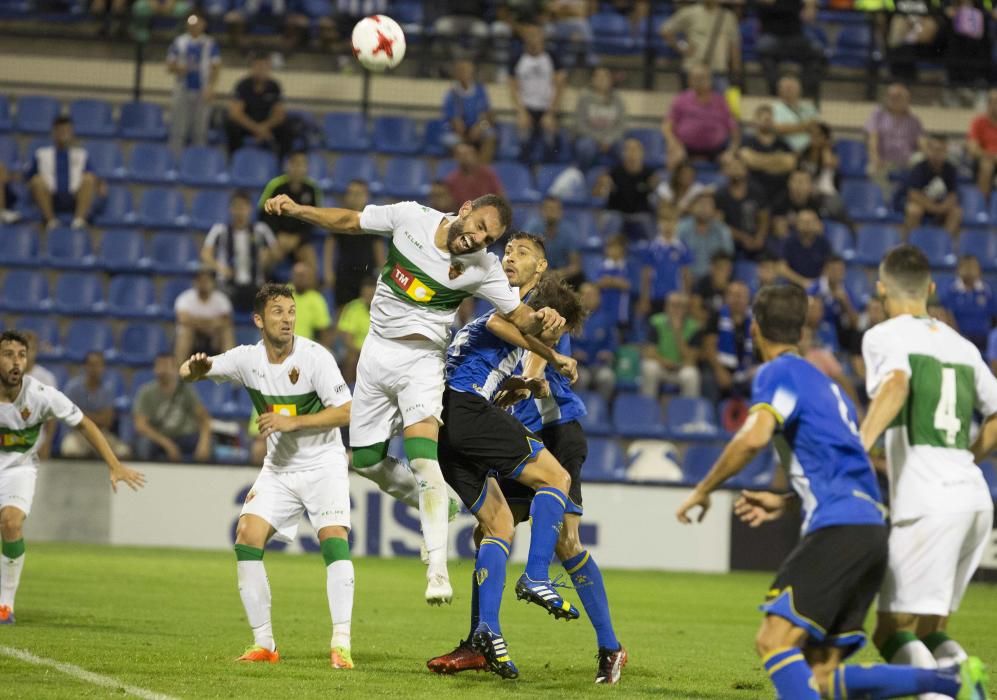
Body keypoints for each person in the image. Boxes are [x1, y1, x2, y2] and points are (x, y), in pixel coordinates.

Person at [675, 284, 987, 700]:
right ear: (803, 332)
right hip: (871, 528)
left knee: (774, 641)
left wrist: (704, 488)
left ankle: (947, 681)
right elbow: (847, 465)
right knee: (821, 675)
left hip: (840, 529)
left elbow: (753, 437)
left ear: (754, 329)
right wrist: (787, 500)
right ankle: (949, 681)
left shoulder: (777, 372)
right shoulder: (829, 388)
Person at [263, 191, 569, 605]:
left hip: (423, 361)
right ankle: (440, 508)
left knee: (424, 457)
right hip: (375, 356)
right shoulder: (411, 218)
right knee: (366, 463)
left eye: (489, 237)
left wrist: (546, 323)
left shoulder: (484, 268)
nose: (479, 239)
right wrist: (299, 210)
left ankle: (438, 571)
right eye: (479, 226)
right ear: (464, 210)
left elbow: (520, 319)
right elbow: (350, 221)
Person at [428, 234, 626, 684]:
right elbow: (515, 365)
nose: (507, 257)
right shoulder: (510, 310)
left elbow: (532, 374)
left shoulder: (542, 313)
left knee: (566, 542)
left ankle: (610, 647)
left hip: (557, 433)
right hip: (502, 427)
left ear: (541, 270)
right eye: (506, 251)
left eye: (520, 253)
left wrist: (543, 356)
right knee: (491, 529)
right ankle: (482, 637)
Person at [180, 283, 355, 667]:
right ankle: (264, 645)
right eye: (277, 312)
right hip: (279, 470)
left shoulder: (316, 358)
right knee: (247, 535)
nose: (287, 319)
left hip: (323, 464)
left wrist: (293, 423)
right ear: (259, 319)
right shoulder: (247, 359)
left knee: (332, 539)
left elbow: (347, 412)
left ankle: (340, 643)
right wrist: (193, 370)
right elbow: (193, 370)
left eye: (291, 311)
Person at [859, 245, 997, 691]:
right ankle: (966, 680)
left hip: (928, 502)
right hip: (974, 499)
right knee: (928, 628)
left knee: (889, 629)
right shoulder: (962, 345)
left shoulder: (884, 336)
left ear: (881, 288)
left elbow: (896, 382)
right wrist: (970, 457)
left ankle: (951, 687)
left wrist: (859, 445)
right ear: (931, 288)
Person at [435, 271, 583, 678]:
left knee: (498, 526)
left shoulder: (498, 336)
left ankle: (487, 634)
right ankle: (536, 576)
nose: (551, 341)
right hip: (467, 409)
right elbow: (504, 322)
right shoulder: (515, 314)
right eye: (554, 333)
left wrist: (526, 385)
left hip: (445, 429)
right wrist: (552, 354)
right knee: (556, 478)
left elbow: (503, 366)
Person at [0, 330, 144, 625]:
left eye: (21, 355)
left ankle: (5, 604)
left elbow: (85, 424)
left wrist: (114, 464)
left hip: (19, 469)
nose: (16, 362)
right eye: (8, 355)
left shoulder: (40, 395)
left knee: (11, 524)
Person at [201, 191, 278, 313]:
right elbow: (205, 255)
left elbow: (276, 252)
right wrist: (221, 268)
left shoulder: (261, 230)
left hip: (255, 286)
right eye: (236, 207)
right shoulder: (220, 230)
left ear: (250, 209)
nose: (239, 211)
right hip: (226, 286)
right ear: (230, 209)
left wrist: (267, 257)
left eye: (243, 207)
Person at [133, 353, 213, 463]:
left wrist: (204, 443)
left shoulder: (186, 390)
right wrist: (167, 444)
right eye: (159, 366)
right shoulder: (146, 392)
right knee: (144, 444)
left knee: (209, 443)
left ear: (175, 368)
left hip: (185, 436)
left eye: (166, 366)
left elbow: (204, 419)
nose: (163, 370)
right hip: (158, 438)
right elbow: (141, 426)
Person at [508, 21, 566, 164]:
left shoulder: (553, 57)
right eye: (529, 35)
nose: (532, 38)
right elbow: (513, 87)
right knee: (522, 136)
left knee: (550, 136)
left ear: (542, 36)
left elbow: (559, 86)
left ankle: (549, 166)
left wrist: (551, 113)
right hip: (527, 107)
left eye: (535, 35)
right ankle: (524, 168)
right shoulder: (517, 58)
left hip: (547, 107)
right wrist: (521, 111)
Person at [662, 63, 739, 170]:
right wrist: (674, 144)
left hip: (716, 151)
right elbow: (666, 127)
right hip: (686, 149)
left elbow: (734, 131)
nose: (699, 82)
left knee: (734, 167)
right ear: (689, 81)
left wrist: (731, 151)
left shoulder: (721, 102)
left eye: (702, 78)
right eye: (695, 78)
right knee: (673, 159)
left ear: (710, 80)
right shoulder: (680, 100)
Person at [322, 179, 384, 309]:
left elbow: (378, 248)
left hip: (367, 275)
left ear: (366, 196)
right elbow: (330, 245)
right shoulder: (341, 217)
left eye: (359, 193)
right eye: (352, 193)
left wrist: (382, 274)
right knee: (343, 312)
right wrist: (328, 271)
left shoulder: (374, 218)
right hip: (345, 274)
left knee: (367, 311)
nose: (355, 197)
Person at [27, 116, 97, 231]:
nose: (64, 134)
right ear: (54, 132)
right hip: (50, 197)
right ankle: (50, 221)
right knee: (37, 181)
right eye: (61, 131)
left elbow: (91, 175)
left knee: (89, 179)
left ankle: (79, 220)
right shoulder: (41, 154)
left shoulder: (81, 154)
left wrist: (99, 183)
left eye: (67, 131)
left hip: (74, 198)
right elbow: (29, 177)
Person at [258, 150, 322, 270]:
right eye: (295, 163)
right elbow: (264, 214)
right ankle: (258, 286)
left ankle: (311, 289)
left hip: (299, 241)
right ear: (288, 165)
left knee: (310, 259)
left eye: (302, 164)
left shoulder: (312, 189)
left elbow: (316, 219)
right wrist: (276, 237)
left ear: (306, 168)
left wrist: (297, 239)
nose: (298, 168)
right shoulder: (275, 185)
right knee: (263, 257)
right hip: (277, 239)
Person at [166, 12, 219, 154]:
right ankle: (174, 163)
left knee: (200, 131)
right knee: (178, 129)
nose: (195, 25)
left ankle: (198, 162)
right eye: (192, 22)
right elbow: (170, 65)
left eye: (198, 22)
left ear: (204, 24)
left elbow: (215, 66)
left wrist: (211, 87)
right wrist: (179, 68)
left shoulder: (209, 43)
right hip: (183, 88)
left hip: (202, 89)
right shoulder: (179, 41)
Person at [60, 351, 130, 459]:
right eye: (91, 365)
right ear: (85, 367)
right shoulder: (72, 388)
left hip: (101, 434)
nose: (94, 369)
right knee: (70, 449)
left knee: (123, 451)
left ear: (103, 368)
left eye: (98, 365)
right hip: (78, 434)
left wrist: (82, 414)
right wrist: (97, 416)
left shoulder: (107, 390)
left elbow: (107, 421)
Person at [658, 0, 740, 88]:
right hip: (692, 70)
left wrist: (736, 70)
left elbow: (734, 44)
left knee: (722, 101)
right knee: (690, 101)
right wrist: (682, 46)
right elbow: (665, 30)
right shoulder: (690, 13)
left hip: (719, 70)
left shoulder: (728, 17)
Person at [225, 53, 291, 160]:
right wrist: (257, 129)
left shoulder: (274, 86)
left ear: (269, 68)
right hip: (247, 124)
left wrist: (265, 127)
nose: (261, 70)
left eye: (264, 67)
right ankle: (234, 160)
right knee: (231, 125)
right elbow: (236, 114)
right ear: (252, 68)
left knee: (286, 127)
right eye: (257, 67)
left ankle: (282, 164)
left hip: (266, 124)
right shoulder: (243, 85)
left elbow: (279, 115)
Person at [755, 0, 824, 98]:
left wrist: (810, 5)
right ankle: (776, 92)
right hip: (772, 37)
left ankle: (805, 94)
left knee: (817, 52)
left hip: (795, 38)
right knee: (763, 51)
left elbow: (809, 16)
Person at [866, 83, 925, 194]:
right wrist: (875, 157)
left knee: (921, 160)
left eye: (898, 97)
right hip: (884, 161)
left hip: (906, 162)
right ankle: (884, 202)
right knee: (872, 169)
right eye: (890, 96)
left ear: (907, 100)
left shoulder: (914, 120)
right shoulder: (878, 115)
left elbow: (922, 143)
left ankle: (914, 196)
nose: (893, 99)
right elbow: (872, 139)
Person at [641, 292, 701, 398]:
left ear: (686, 309)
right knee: (649, 367)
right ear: (666, 307)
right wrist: (665, 362)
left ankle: (688, 411)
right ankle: (647, 408)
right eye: (673, 305)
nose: (676, 310)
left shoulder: (694, 327)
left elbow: (691, 360)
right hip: (661, 366)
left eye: (680, 306)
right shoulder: (656, 322)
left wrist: (677, 332)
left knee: (691, 375)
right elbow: (649, 353)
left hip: (681, 368)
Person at [902, 134, 962, 239]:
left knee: (956, 212)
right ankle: (911, 243)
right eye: (935, 149)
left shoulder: (950, 169)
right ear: (928, 150)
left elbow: (953, 195)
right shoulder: (919, 168)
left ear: (946, 151)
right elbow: (914, 194)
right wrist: (934, 208)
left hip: (941, 207)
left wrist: (942, 208)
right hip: (924, 206)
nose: (937, 154)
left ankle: (945, 244)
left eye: (941, 150)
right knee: (913, 210)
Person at [174, 269, 236, 367]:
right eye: (200, 281)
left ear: (213, 283)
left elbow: (226, 321)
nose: (203, 284)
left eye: (207, 281)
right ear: (195, 282)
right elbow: (183, 320)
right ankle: (178, 373)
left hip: (214, 337)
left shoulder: (222, 299)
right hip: (193, 336)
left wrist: (197, 322)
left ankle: (231, 371)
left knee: (226, 332)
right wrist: (211, 323)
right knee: (185, 332)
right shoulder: (185, 298)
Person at [639, 203, 693, 316]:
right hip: (657, 296)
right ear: (658, 223)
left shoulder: (682, 247)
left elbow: (686, 275)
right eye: (664, 221)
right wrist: (644, 298)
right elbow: (646, 274)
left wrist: (687, 296)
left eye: (672, 221)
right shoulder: (652, 247)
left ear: (677, 223)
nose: (668, 225)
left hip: (677, 297)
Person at [703, 280, 753, 399]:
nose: (737, 299)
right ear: (726, 297)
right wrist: (719, 370)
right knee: (708, 379)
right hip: (721, 367)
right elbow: (709, 346)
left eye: (741, 296)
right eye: (733, 295)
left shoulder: (755, 320)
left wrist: (756, 368)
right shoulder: (717, 316)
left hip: (747, 369)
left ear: (748, 299)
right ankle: (712, 416)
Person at [595, 138, 659, 230]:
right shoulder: (613, 173)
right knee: (611, 219)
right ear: (623, 153)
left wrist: (654, 186)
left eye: (635, 150)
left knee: (648, 221)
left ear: (642, 153)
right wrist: (601, 185)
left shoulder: (650, 175)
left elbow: (660, 196)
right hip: (617, 213)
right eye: (628, 149)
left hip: (640, 215)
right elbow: (597, 195)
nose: (631, 153)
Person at [441, 58, 497, 163]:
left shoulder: (480, 91)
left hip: (478, 130)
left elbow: (486, 115)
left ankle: (481, 169)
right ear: (456, 74)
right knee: (454, 142)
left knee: (490, 136)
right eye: (461, 71)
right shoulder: (451, 94)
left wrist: (479, 127)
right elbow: (455, 121)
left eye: (467, 70)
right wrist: (464, 134)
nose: (465, 74)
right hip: (458, 132)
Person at [715, 156, 770, 260]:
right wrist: (742, 237)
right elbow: (720, 224)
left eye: (739, 167)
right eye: (732, 167)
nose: (736, 170)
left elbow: (764, 216)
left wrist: (760, 236)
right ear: (727, 171)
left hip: (755, 237)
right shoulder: (721, 195)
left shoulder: (756, 191)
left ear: (746, 170)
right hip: (731, 239)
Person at [739, 104, 797, 204]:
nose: (768, 122)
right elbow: (748, 160)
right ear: (755, 121)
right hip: (754, 187)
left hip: (780, 189)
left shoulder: (782, 143)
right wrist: (777, 161)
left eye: (770, 119)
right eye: (764, 119)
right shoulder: (748, 141)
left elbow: (790, 163)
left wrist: (758, 160)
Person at [573, 67, 627, 170]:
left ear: (610, 80)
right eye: (598, 77)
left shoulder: (617, 98)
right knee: (585, 147)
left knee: (625, 148)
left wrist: (608, 139)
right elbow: (580, 124)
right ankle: (583, 174)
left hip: (611, 139)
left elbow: (621, 125)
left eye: (605, 77)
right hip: (590, 138)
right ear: (592, 80)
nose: (602, 79)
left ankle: (619, 177)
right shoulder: (584, 97)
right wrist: (599, 139)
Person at [522, 196, 583, 285]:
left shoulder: (569, 231)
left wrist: (558, 274)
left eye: (555, 209)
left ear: (561, 212)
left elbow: (576, 265)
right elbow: (524, 258)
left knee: (583, 284)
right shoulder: (532, 229)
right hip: (538, 274)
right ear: (541, 211)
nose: (551, 212)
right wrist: (543, 273)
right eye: (548, 208)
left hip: (564, 276)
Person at [573, 283, 618, 402]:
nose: (589, 298)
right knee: (582, 378)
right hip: (578, 365)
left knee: (607, 377)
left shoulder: (607, 318)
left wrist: (608, 352)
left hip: (599, 364)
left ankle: (601, 411)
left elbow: (612, 342)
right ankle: (579, 413)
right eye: (586, 295)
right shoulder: (572, 318)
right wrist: (573, 352)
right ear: (579, 297)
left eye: (593, 295)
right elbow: (564, 342)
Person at [940, 255, 995, 352]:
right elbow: (947, 316)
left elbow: (994, 316)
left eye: (972, 268)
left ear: (979, 270)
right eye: (966, 267)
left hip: (983, 339)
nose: (969, 271)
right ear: (958, 270)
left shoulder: (987, 291)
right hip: (959, 338)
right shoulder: (951, 291)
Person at [677, 191, 734, 279]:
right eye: (701, 204)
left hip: (712, 281)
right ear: (693, 207)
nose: (704, 208)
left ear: (714, 209)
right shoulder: (681, 228)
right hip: (685, 278)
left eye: (708, 204)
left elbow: (727, 257)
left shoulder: (722, 230)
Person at [335, 276, 375, 384]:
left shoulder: (385, 309)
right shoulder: (352, 308)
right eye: (366, 294)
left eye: (371, 295)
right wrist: (362, 352)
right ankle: (348, 392)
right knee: (351, 358)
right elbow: (347, 339)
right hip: (357, 351)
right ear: (362, 293)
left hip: (378, 351)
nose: (369, 297)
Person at [779, 209, 832, 288]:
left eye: (810, 222)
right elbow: (781, 268)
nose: (806, 225)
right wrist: (803, 282)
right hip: (793, 285)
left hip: (817, 286)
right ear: (797, 223)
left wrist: (816, 283)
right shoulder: (788, 242)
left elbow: (828, 267)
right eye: (803, 221)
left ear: (817, 223)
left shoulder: (823, 243)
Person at [444, 142, 504, 206]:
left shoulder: (488, 174)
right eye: (460, 155)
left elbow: (500, 197)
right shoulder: (451, 180)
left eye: (467, 154)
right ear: (456, 158)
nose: (464, 158)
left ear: (475, 155)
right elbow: (450, 205)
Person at [772, 74, 819, 154]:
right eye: (786, 88)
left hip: (811, 149)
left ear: (799, 90)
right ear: (779, 90)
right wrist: (806, 126)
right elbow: (778, 129)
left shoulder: (809, 108)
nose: (789, 91)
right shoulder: (774, 108)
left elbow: (816, 128)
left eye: (792, 88)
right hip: (786, 150)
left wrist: (792, 128)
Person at [594, 234, 632, 329]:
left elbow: (628, 285)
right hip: (604, 306)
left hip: (621, 310)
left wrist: (611, 281)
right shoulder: (602, 266)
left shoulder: (627, 266)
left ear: (622, 249)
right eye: (610, 247)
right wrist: (616, 283)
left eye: (616, 247)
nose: (613, 251)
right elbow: (598, 283)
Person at [290, 262, 333, 346]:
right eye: (298, 275)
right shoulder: (283, 293)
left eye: (303, 276)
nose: (300, 279)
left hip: (305, 346)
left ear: (309, 278)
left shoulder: (316, 299)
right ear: (292, 277)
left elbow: (324, 329)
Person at [966, 88, 997, 198]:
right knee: (987, 167)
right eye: (994, 102)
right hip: (982, 162)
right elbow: (973, 149)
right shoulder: (978, 122)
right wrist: (991, 156)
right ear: (988, 104)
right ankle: (983, 208)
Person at [692, 251, 735, 321]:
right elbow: (695, 309)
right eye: (721, 268)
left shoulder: (734, 287)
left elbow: (736, 313)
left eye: (728, 269)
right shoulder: (701, 284)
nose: (724, 272)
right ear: (712, 268)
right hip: (706, 325)